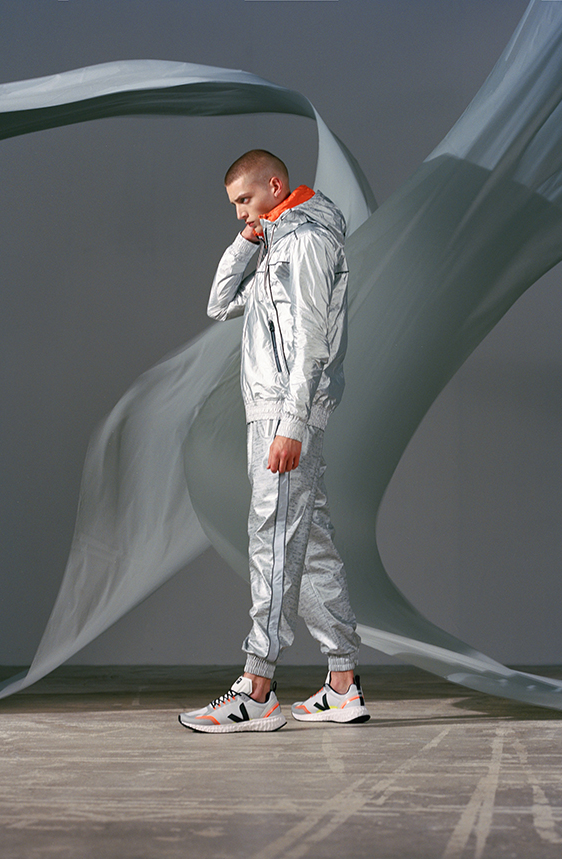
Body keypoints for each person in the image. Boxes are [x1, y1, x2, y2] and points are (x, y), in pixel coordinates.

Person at [178, 150, 369, 733]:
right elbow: (219, 303)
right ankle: (343, 685)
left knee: (273, 539)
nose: (240, 212)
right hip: (273, 410)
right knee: (309, 545)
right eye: (234, 205)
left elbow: (312, 341)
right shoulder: (276, 246)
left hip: (284, 412)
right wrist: (247, 241)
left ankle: (257, 689)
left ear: (275, 185)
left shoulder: (306, 242)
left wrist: (292, 424)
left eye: (245, 200)